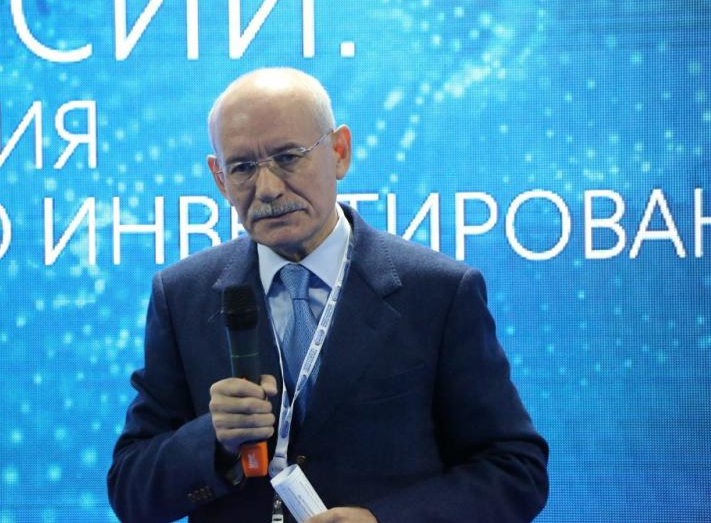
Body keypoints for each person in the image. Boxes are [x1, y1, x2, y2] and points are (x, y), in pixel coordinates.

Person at [107, 68, 549, 523]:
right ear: (220, 179)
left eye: (288, 157)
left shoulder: (438, 292)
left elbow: (515, 471)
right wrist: (213, 440)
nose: (268, 189)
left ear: (339, 152)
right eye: (242, 168)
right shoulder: (182, 296)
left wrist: (383, 520)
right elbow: (130, 490)